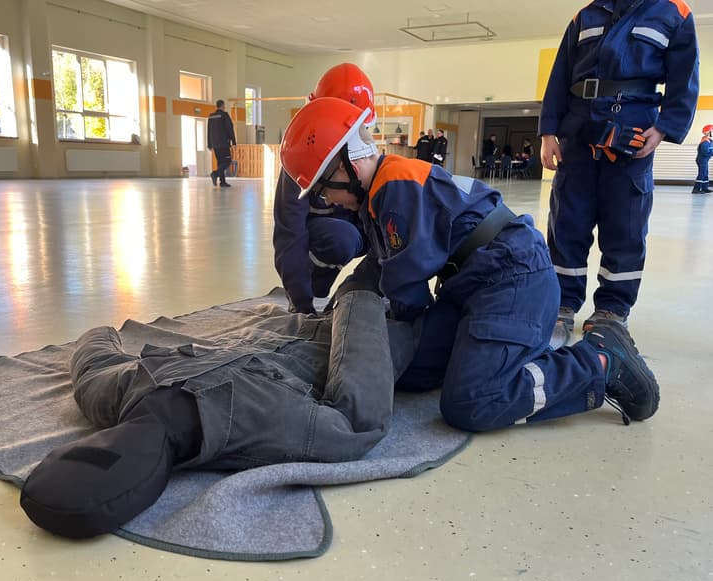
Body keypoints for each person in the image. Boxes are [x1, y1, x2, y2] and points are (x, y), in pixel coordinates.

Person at [280, 96, 661, 435]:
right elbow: (377, 268)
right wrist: (335, 308)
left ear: (347, 162)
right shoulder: (383, 191)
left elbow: (404, 284)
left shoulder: (393, 188)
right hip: (474, 286)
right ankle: (496, 355)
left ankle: (599, 360)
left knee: (473, 401)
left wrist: (388, 322)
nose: (327, 199)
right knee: (408, 370)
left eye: (322, 187)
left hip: (513, 279)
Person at [20, 287, 416, 538]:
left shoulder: (116, 390)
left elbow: (92, 356)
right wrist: (360, 296)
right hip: (373, 329)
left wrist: (359, 293)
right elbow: (359, 418)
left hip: (296, 322)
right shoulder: (262, 424)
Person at [539, 0, 700, 346]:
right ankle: (562, 304)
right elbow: (559, 75)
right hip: (578, 130)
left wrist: (665, 128)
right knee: (567, 220)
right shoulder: (586, 15)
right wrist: (548, 132)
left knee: (625, 224)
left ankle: (612, 310)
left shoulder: (675, 13)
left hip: (634, 130)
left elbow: (685, 77)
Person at [273, 63, 373, 314]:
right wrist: (302, 302)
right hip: (331, 233)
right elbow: (290, 233)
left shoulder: (367, 161)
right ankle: (316, 291)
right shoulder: (301, 162)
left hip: (353, 232)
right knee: (340, 239)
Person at [207, 99, 236, 188]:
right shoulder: (224, 115)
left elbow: (209, 130)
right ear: (222, 106)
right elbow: (230, 128)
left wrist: (209, 144)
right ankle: (215, 174)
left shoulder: (211, 116)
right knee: (227, 161)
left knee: (220, 163)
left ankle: (222, 182)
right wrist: (234, 141)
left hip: (215, 144)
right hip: (224, 143)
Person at [692, 124, 712, 194]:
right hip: (702, 160)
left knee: (705, 173)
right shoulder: (705, 142)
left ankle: (705, 188)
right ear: (708, 132)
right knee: (702, 173)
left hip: (705, 160)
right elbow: (705, 153)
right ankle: (696, 189)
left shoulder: (710, 141)